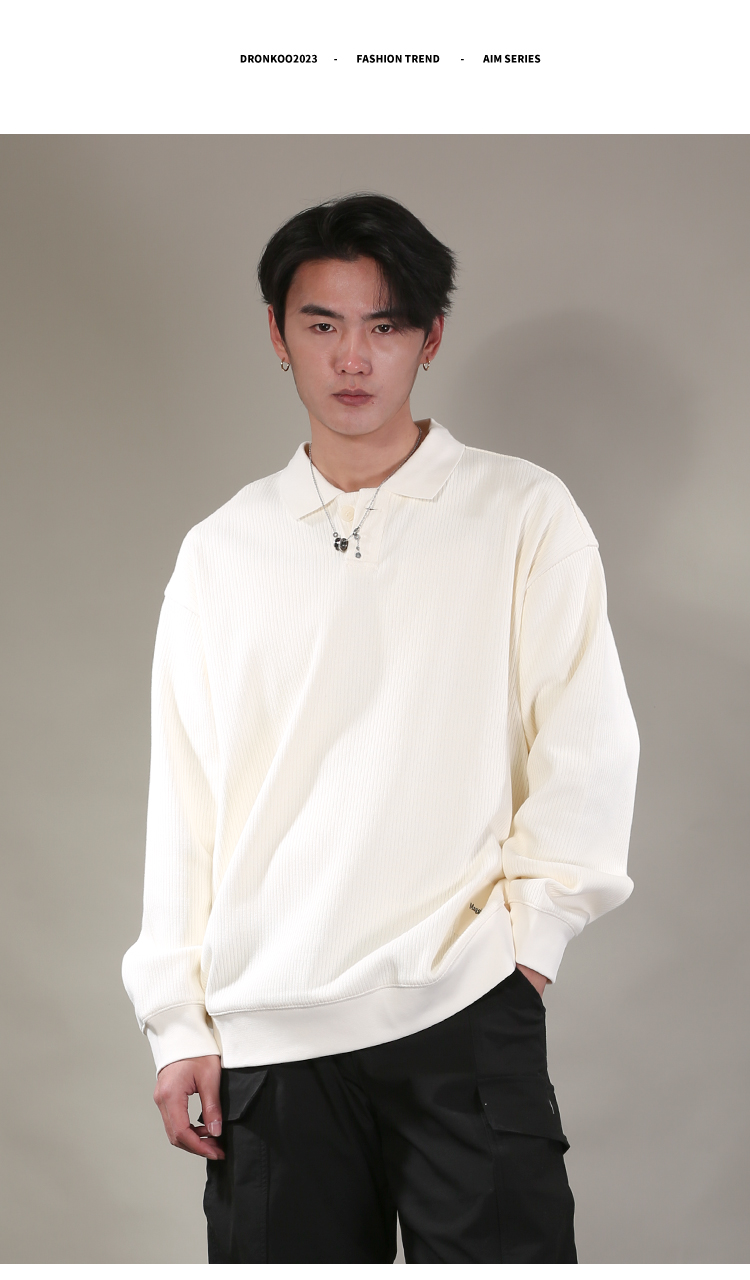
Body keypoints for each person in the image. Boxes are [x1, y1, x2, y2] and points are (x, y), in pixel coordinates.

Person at [122, 193, 640, 1264]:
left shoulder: (521, 511)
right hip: (271, 1033)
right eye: (321, 324)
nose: (352, 358)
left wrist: (528, 947)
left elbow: (585, 740)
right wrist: (179, 1021)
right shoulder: (222, 551)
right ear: (278, 336)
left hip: (466, 1002)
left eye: (385, 325)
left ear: (430, 338)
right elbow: (186, 798)